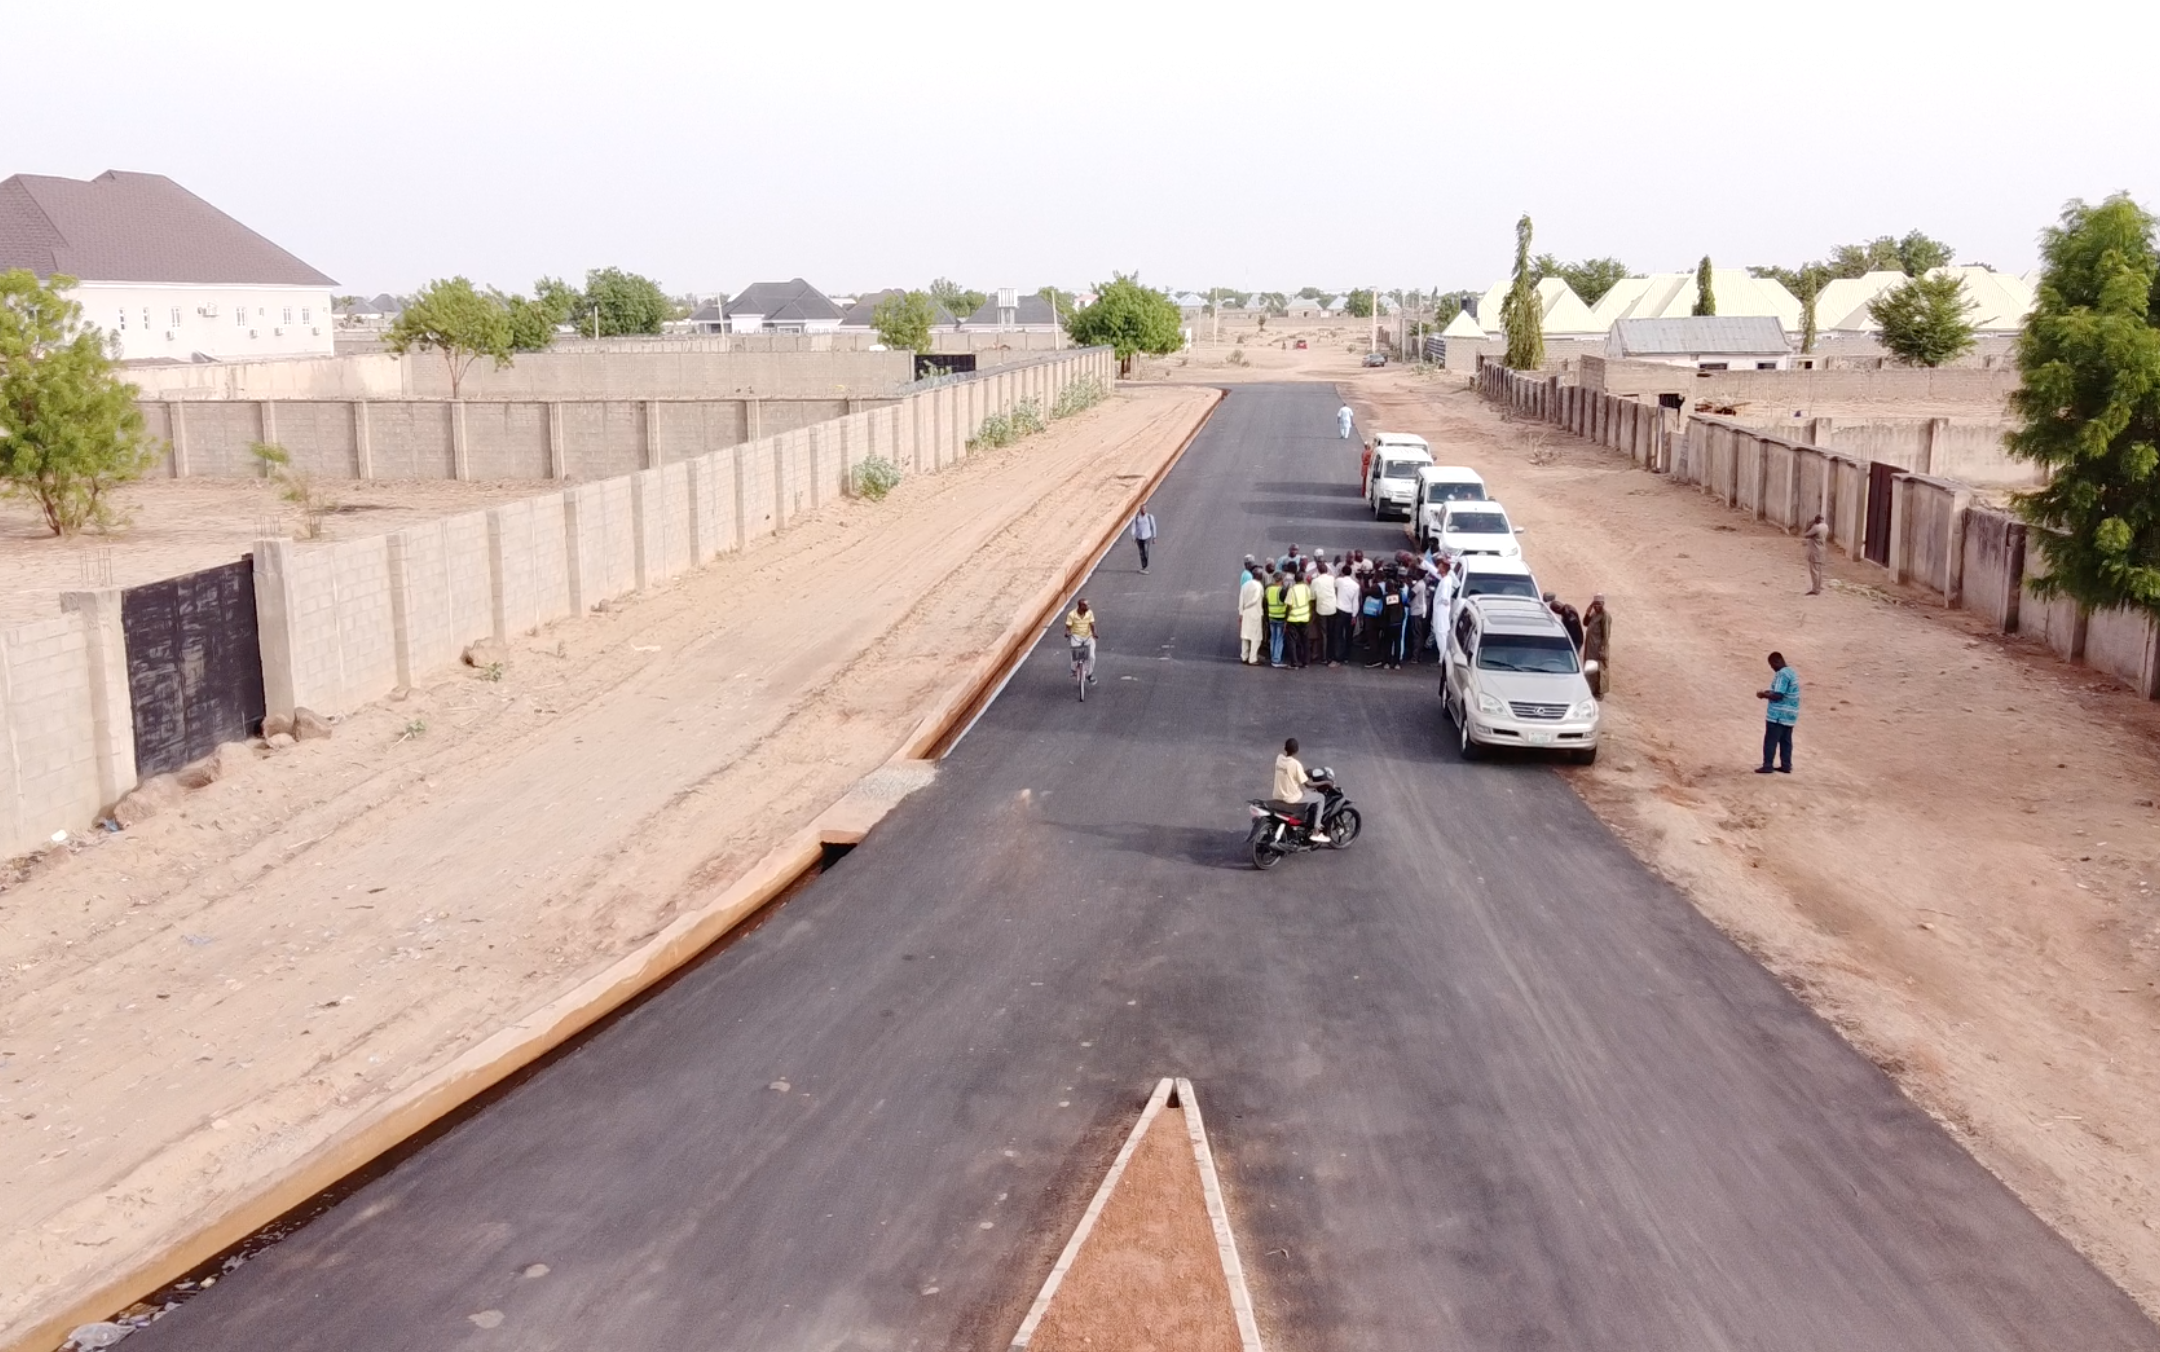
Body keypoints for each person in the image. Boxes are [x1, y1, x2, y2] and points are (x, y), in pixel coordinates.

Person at [1273, 736, 1330, 842]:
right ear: (1297, 750)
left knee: (1308, 793)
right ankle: (1316, 831)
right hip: (1291, 798)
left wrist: (1304, 774)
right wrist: (1326, 782)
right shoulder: (1296, 765)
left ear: (1285, 748)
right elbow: (1308, 784)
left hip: (1278, 795)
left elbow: (1290, 773)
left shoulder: (1279, 758)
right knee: (1320, 797)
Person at [1755, 651, 1799, 773]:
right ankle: (1786, 765)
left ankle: (1767, 765)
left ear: (1777, 661)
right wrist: (1770, 692)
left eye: (1771, 665)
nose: (1772, 668)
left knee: (1770, 740)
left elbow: (1778, 695)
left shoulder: (1782, 674)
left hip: (1778, 715)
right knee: (1786, 741)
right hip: (1790, 715)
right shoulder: (1791, 672)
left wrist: (1764, 695)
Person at [1581, 594, 1611, 697]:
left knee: (1598, 669)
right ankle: (1590, 689)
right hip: (1590, 647)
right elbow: (1585, 623)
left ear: (1603, 604)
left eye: (1599, 604)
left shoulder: (1605, 616)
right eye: (1595, 604)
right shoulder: (1594, 613)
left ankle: (1599, 692)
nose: (1597, 606)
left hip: (1598, 647)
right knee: (1590, 667)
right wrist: (1588, 610)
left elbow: (1606, 635)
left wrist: (1602, 649)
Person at [1284, 571, 1314, 668]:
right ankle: (1306, 662)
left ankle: (1294, 663)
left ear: (1295, 580)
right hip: (1305, 618)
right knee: (1305, 640)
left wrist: (1286, 620)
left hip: (1293, 618)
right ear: (1303, 579)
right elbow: (1311, 601)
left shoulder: (1292, 590)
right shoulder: (1307, 589)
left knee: (1292, 641)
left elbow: (1288, 605)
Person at [1065, 598, 1099, 686]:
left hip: (1088, 636)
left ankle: (1089, 674)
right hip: (1076, 636)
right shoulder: (1071, 614)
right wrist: (1067, 633)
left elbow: (1092, 625)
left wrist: (1094, 633)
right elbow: (1068, 627)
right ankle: (1073, 670)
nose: (1088, 606)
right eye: (1086, 605)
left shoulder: (1089, 613)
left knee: (1091, 656)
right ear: (1081, 606)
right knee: (1075, 654)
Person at [1311, 559, 1338, 665]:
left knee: (1323, 633)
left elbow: (1312, 596)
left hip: (1321, 609)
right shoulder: (1332, 579)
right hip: (1332, 608)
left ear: (1318, 571)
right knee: (1331, 632)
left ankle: (1323, 657)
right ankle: (1331, 654)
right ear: (1327, 571)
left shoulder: (1315, 581)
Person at [1333, 565, 1360, 665]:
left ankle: (1337, 655)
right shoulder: (1356, 585)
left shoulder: (1339, 581)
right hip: (1350, 612)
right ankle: (1347, 656)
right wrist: (1354, 615)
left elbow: (1334, 584)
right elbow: (1355, 602)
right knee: (1349, 635)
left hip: (1339, 610)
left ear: (1342, 572)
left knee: (1338, 634)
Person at [1238, 567, 1265, 665]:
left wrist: (1241, 612)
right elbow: (1256, 598)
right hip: (1255, 613)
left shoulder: (1245, 585)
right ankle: (1253, 658)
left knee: (1245, 635)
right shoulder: (1258, 586)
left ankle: (1244, 656)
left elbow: (1240, 600)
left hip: (1245, 613)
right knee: (1256, 637)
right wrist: (1249, 604)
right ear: (1259, 575)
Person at [1264, 568, 1288, 668]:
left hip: (1271, 616)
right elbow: (1287, 604)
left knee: (1273, 638)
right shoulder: (1282, 590)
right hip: (1280, 617)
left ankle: (1272, 657)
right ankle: (1276, 659)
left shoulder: (1268, 589)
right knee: (1279, 638)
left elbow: (1265, 602)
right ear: (1281, 580)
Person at [1803, 513, 1829, 595]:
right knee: (1819, 571)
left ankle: (1815, 589)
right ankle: (1818, 587)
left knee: (1814, 571)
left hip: (1815, 551)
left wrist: (1809, 525)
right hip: (1821, 550)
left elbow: (1806, 535)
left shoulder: (1816, 527)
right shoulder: (1825, 526)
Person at [1133, 502, 1158, 574]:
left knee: (1146, 551)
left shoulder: (1150, 517)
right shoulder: (1137, 518)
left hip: (1147, 537)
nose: (1144, 510)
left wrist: (1154, 537)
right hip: (1139, 537)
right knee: (1141, 552)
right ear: (1140, 510)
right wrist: (1133, 536)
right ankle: (1143, 566)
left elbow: (1153, 526)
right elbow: (1134, 527)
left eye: (1145, 508)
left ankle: (1145, 566)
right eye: (1142, 509)